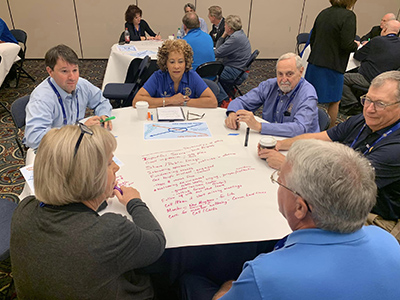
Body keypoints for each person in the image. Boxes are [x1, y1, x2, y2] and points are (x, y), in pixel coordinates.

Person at [208, 139, 400, 300]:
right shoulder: (388, 242)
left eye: (279, 181)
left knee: (192, 281)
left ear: (300, 207)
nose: (277, 186)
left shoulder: (264, 276)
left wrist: (227, 289)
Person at [11, 124, 166, 299]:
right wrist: (135, 203)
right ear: (89, 179)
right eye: (109, 163)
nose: (116, 167)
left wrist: (96, 197)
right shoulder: (110, 232)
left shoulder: (24, 209)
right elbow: (157, 242)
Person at [259, 71, 400, 242]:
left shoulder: (395, 148)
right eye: (368, 100)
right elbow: (319, 137)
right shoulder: (362, 121)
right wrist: (281, 145)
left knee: (290, 216)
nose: (369, 109)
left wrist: (288, 167)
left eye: (380, 104)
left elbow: (342, 185)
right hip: (341, 197)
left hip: (372, 216)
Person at [24, 44, 112, 150]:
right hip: (54, 149)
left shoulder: (81, 84)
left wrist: (104, 114)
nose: (72, 77)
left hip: (78, 142)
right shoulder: (42, 99)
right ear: (50, 71)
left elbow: (101, 101)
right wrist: (78, 131)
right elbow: (34, 138)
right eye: (64, 71)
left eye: (75, 70)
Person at [225, 53, 319, 137]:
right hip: (271, 138)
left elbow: (299, 129)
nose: (284, 79)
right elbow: (241, 101)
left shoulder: (307, 95)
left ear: (301, 72)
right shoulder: (270, 85)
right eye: (280, 74)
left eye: (289, 74)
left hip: (300, 145)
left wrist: (259, 126)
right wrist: (233, 113)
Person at [305, 0, 358, 128]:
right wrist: (355, 45)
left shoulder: (323, 13)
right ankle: (329, 131)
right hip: (333, 66)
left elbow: (312, 39)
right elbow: (346, 44)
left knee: (309, 97)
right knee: (334, 101)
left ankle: (304, 124)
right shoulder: (349, 16)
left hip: (315, 62)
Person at [133, 39, 217, 108]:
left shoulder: (192, 76)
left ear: (186, 62)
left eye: (180, 62)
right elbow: (136, 101)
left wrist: (183, 102)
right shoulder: (158, 77)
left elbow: (213, 101)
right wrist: (170, 100)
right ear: (165, 63)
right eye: (172, 62)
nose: (176, 66)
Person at [341, 20, 400, 115]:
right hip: (388, 82)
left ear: (384, 29)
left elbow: (358, 56)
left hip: (369, 78)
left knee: (342, 78)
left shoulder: (377, 40)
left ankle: (352, 104)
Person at [215, 15, 251, 102]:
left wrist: (223, 36)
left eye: (225, 25)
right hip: (240, 69)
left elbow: (218, 52)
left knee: (212, 75)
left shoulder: (235, 38)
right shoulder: (240, 34)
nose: (224, 27)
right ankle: (228, 91)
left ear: (229, 28)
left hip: (236, 71)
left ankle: (224, 100)